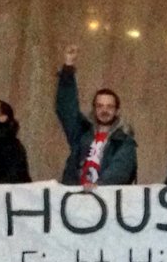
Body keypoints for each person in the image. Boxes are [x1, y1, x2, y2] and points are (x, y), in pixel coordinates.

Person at [56, 44, 137, 189]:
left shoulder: (124, 140)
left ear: (117, 111)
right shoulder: (81, 133)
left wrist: (98, 187)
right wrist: (68, 68)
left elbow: (120, 170)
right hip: (74, 199)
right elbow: (66, 108)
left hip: (105, 203)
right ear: (94, 109)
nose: (104, 110)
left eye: (109, 106)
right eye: (100, 106)